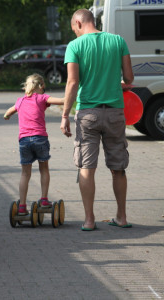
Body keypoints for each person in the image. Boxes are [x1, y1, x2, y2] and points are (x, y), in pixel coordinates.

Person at [60, 9, 134, 230]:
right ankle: (121, 217)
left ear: (79, 23)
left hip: (87, 114)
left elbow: (73, 83)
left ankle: (89, 220)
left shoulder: (75, 46)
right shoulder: (118, 41)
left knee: (86, 167)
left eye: (74, 29)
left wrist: (64, 114)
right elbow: (129, 79)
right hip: (114, 113)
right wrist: (114, 83)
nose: (74, 33)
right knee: (118, 167)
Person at [4, 73, 64, 215]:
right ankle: (44, 199)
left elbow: (8, 112)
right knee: (44, 168)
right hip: (40, 139)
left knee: (25, 174)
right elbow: (62, 100)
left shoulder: (20, 101)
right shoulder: (42, 98)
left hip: (24, 140)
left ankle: (22, 206)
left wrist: (7, 116)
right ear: (42, 86)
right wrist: (75, 94)